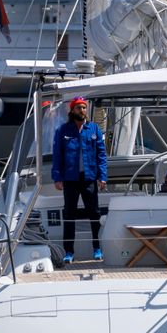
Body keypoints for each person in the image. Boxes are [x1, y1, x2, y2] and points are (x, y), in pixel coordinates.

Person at [51, 96, 107, 264]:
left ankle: (97, 248)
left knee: (94, 213)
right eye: (79, 108)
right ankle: (69, 251)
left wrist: (102, 176)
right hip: (70, 179)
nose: (82, 111)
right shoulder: (63, 130)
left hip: (89, 178)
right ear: (72, 110)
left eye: (84, 108)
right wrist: (57, 177)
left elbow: (101, 155)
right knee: (69, 214)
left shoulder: (94, 129)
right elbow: (57, 156)